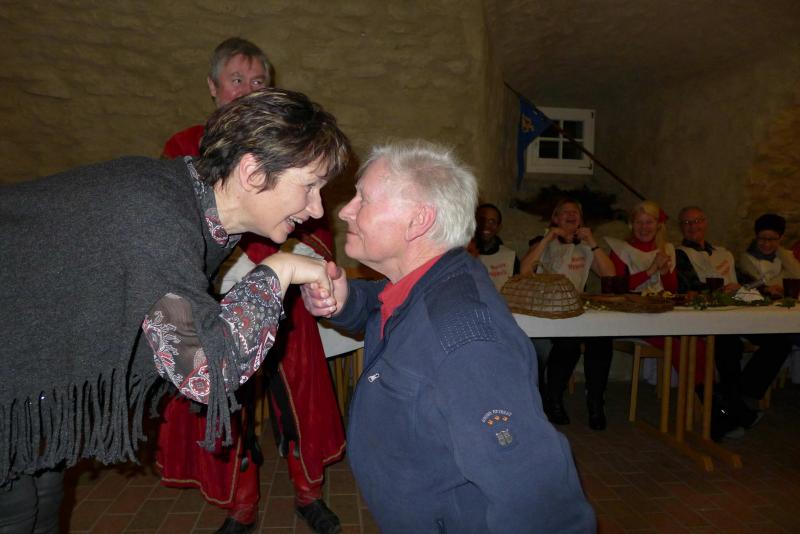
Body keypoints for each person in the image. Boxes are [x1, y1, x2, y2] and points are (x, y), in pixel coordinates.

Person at [0, 88, 350, 532]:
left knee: (41, 492)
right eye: (310, 186)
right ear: (252, 171)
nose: (317, 208)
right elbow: (203, 370)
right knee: (15, 510)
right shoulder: (158, 214)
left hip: (24, 373)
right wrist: (279, 270)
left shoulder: (192, 207)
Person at [302, 141, 595, 533]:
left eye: (363, 199)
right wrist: (346, 300)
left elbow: (540, 502)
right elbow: (385, 303)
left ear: (419, 221)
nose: (345, 210)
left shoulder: (467, 341)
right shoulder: (433, 280)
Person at [159, 37, 345, 534]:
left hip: (287, 299)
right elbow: (179, 230)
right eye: (236, 80)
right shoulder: (185, 146)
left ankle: (308, 494)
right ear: (213, 86)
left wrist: (299, 264)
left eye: (258, 81)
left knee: (299, 400)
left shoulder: (290, 149)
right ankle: (240, 507)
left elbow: (314, 225)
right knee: (224, 403)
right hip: (216, 301)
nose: (246, 90)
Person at [675, 206, 792, 440]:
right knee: (728, 345)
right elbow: (686, 286)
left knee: (780, 341)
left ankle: (744, 395)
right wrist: (719, 290)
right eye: (687, 223)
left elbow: (745, 280)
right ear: (681, 227)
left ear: (705, 223)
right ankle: (735, 406)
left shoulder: (723, 253)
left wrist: (766, 289)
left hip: (738, 315)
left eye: (697, 221)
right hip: (707, 319)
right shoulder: (679, 254)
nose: (693, 226)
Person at [520, 199, 616, 431]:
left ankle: (595, 403)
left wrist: (593, 242)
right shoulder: (543, 241)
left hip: (578, 309)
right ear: (556, 218)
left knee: (602, 340)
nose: (572, 215)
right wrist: (548, 238)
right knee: (568, 342)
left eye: (576, 212)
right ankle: (553, 400)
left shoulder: (586, 246)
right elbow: (524, 271)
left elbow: (610, 274)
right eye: (565, 212)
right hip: (550, 310)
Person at [606, 200, 677, 294]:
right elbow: (616, 287)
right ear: (631, 225)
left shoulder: (667, 249)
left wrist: (665, 272)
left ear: (658, 225)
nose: (643, 227)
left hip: (661, 301)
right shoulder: (619, 249)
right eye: (638, 222)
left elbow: (672, 291)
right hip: (629, 301)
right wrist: (650, 271)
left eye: (649, 222)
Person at [738, 213, 800, 296]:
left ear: (781, 238)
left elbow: (797, 277)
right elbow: (757, 285)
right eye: (762, 238)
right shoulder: (747, 258)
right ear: (756, 237)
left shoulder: (785, 255)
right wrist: (783, 280)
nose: (767, 244)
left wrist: (779, 249)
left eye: (772, 239)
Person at [466, 202, 519, 290]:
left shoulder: (509, 256)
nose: (486, 225)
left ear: (499, 227)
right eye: (482, 220)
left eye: (492, 222)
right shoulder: (460, 254)